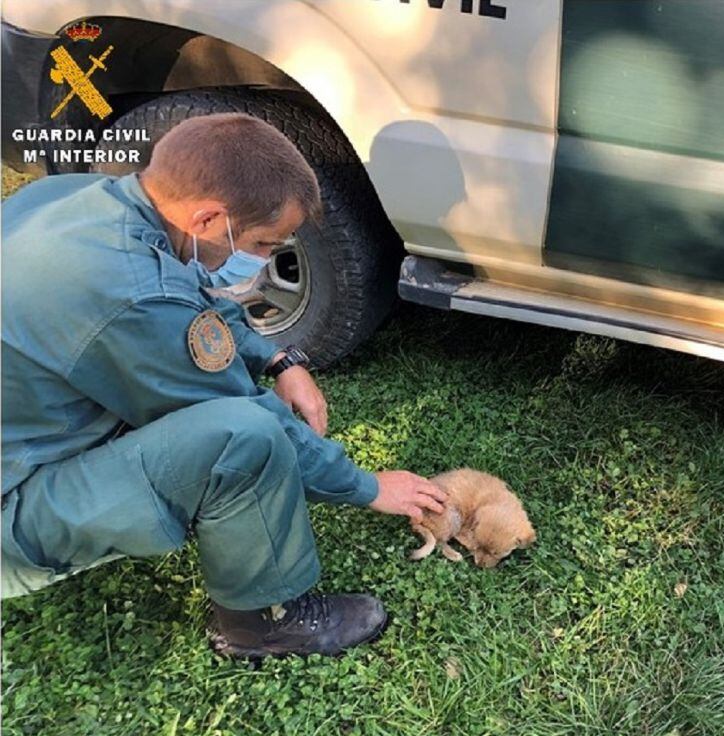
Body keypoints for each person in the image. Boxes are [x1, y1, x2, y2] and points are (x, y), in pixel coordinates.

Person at [1, 113, 449, 659]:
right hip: (12, 514)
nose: (264, 261)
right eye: (263, 243)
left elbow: (196, 298)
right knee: (245, 435)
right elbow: (242, 407)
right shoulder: (137, 297)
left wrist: (282, 357)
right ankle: (264, 624)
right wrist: (369, 486)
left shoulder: (71, 197)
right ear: (209, 217)